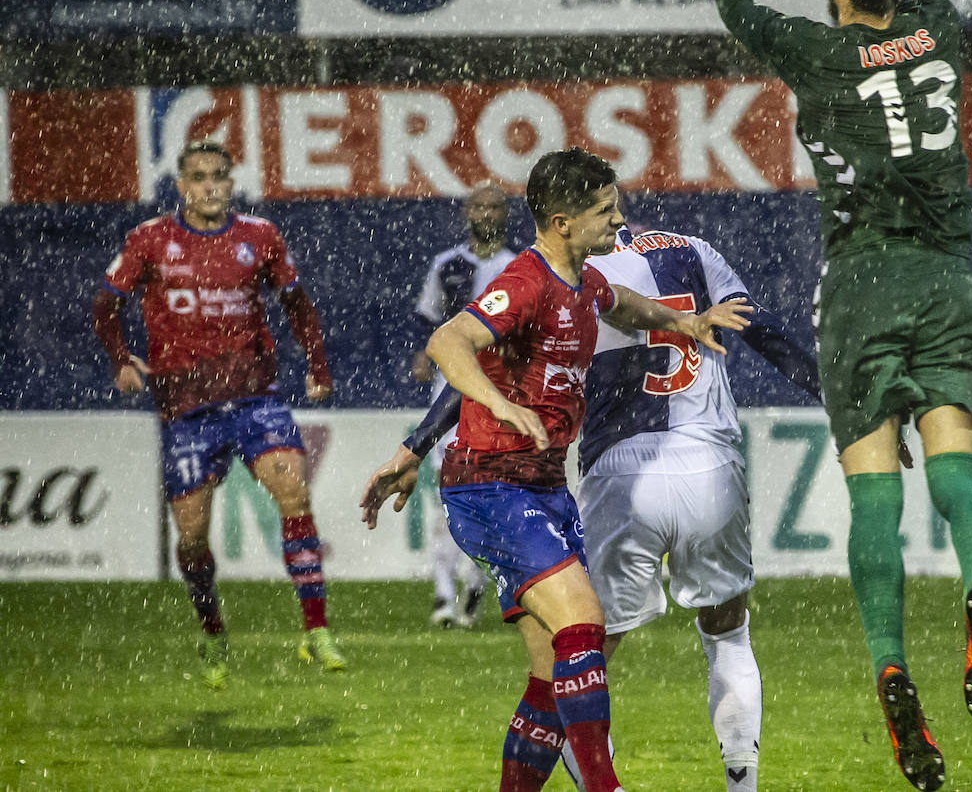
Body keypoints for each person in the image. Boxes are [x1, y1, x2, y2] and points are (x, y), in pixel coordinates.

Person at [676, 0, 972, 788]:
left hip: (860, 288)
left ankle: (893, 668)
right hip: (946, 280)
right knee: (955, 471)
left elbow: (739, 6)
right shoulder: (939, 25)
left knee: (873, 504)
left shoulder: (819, 55)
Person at [360, 147, 752, 792]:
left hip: (541, 486)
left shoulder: (582, 282)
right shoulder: (526, 282)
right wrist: (494, 400)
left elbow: (622, 303)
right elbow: (448, 342)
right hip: (490, 484)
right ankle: (605, 787)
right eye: (605, 209)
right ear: (563, 222)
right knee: (583, 623)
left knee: (553, 676)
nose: (618, 218)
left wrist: (683, 318)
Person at [403, 222, 821, 792]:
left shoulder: (572, 274)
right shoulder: (692, 249)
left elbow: (481, 358)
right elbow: (762, 330)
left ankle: (596, 782)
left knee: (576, 654)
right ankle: (739, 784)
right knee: (727, 635)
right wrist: (832, 396)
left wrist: (417, 443)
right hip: (710, 466)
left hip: (621, 472)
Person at [91, 139, 344, 691]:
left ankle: (317, 627)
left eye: (219, 177)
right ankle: (212, 631)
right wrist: (119, 361)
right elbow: (105, 304)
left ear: (232, 184)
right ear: (181, 186)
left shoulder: (260, 237)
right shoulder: (150, 241)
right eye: (198, 177)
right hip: (187, 410)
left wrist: (317, 366)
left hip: (255, 397)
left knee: (294, 491)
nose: (209, 186)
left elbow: (297, 304)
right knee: (192, 535)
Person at [412, 182, 519, 628]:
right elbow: (429, 320)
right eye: (478, 206)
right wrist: (423, 354)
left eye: (494, 206)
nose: (486, 213)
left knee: (487, 491)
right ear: (466, 213)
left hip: (501, 388)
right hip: (452, 388)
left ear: (506, 214)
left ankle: (475, 584)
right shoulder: (447, 265)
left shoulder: (520, 265)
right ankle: (442, 592)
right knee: (446, 491)